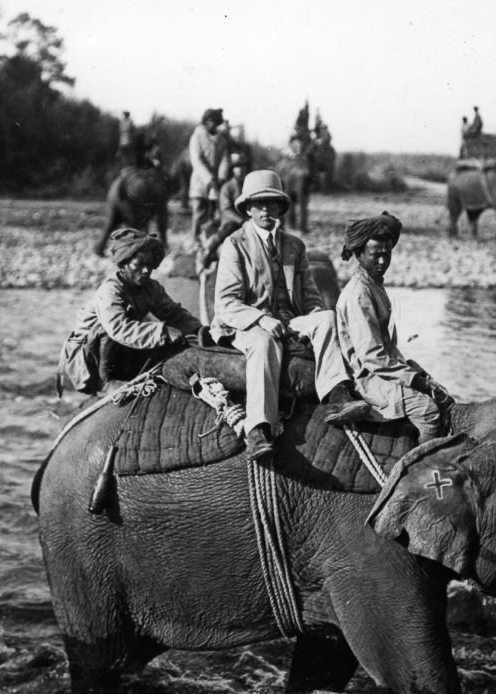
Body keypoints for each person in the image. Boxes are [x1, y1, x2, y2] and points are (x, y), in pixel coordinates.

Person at [211, 169, 369, 460]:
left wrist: (316, 322)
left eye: (272, 204)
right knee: (263, 343)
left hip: (287, 319)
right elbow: (226, 304)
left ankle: (337, 395)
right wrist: (260, 319)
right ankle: (259, 428)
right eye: (259, 204)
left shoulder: (294, 246)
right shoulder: (234, 245)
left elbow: (310, 297)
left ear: (281, 208)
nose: (266, 210)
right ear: (248, 209)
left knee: (328, 318)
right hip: (247, 323)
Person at [335, 212, 448, 444]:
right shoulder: (359, 293)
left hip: (383, 369)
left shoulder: (373, 284)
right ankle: (417, 475)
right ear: (359, 254)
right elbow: (372, 357)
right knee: (428, 411)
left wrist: (415, 372)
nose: (382, 262)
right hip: (369, 377)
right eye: (375, 255)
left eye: (386, 255)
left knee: (441, 393)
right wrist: (415, 381)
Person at [58, 227, 201, 395]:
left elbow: (173, 314)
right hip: (90, 355)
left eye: (149, 265)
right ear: (124, 264)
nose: (146, 270)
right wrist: (163, 332)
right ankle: (105, 383)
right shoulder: (111, 290)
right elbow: (118, 328)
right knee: (106, 328)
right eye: (139, 265)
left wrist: (199, 330)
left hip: (121, 349)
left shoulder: (150, 287)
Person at [188, 108, 229, 247]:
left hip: (216, 182)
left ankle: (209, 242)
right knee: (199, 213)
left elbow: (224, 159)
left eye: (216, 123)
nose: (214, 125)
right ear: (206, 122)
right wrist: (208, 179)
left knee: (213, 213)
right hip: (200, 181)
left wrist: (221, 177)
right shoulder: (196, 137)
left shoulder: (221, 139)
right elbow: (196, 160)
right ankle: (194, 241)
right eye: (212, 122)